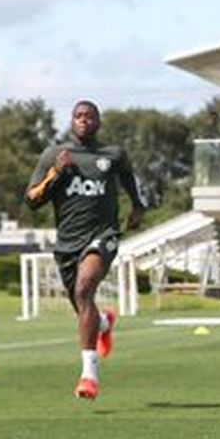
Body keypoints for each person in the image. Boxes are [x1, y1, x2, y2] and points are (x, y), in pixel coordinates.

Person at [25, 100, 145, 401]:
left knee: (84, 288)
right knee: (82, 303)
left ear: (98, 122)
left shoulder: (113, 155)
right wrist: (55, 172)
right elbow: (32, 199)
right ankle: (104, 323)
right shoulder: (54, 155)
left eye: (89, 117)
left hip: (103, 234)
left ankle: (88, 376)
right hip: (68, 241)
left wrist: (138, 207)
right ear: (71, 121)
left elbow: (129, 178)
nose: (83, 121)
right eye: (78, 116)